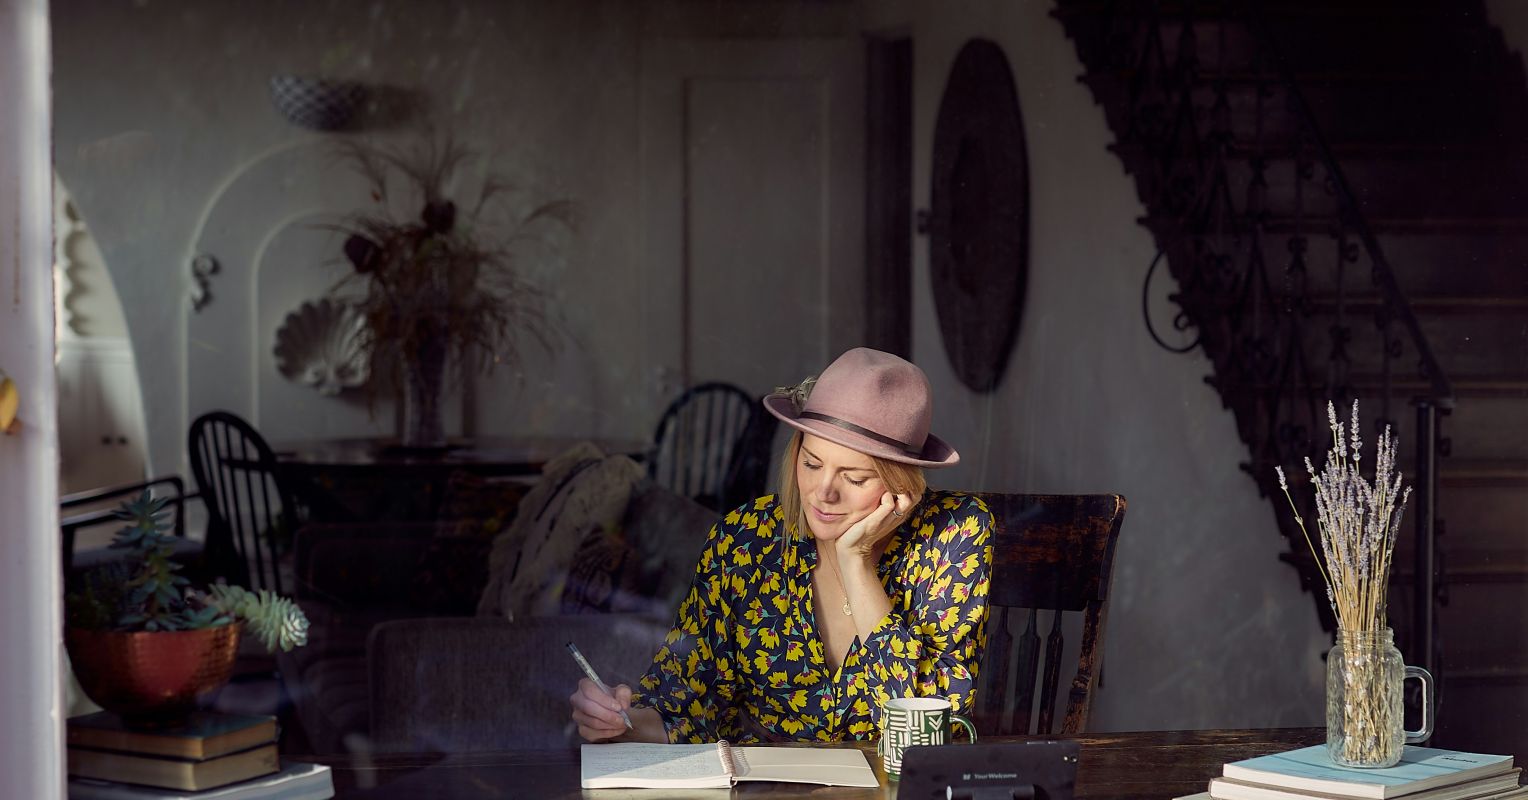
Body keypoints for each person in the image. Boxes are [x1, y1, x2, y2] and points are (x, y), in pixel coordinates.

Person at [569, 347, 994, 744]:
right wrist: (619, 722)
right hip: (768, 784)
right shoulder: (746, 538)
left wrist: (856, 562)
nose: (823, 493)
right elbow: (686, 705)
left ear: (902, 483)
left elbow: (929, 730)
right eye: (811, 463)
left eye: (855, 478)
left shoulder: (953, 534)